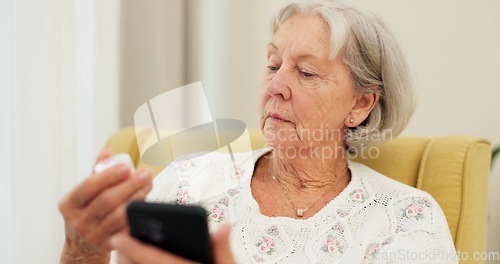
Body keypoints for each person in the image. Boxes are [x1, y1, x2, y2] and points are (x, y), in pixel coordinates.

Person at [59, 0, 457, 263]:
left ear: (360, 104)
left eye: (306, 72)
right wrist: (82, 247)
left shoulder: (405, 219)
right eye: (272, 65)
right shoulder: (188, 179)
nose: (275, 86)